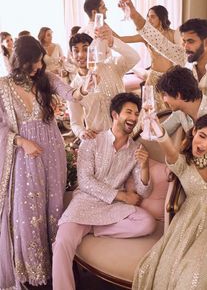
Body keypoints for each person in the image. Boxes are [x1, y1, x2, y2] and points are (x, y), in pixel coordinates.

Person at [0, 35, 82, 289]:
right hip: (26, 156)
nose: (37, 68)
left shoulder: (48, 79)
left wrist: (85, 87)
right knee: (28, 210)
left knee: (53, 206)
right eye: (32, 63)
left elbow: (72, 93)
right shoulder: (2, 87)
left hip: (53, 151)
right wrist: (22, 142)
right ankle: (34, 268)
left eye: (40, 62)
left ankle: (56, 265)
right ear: (19, 62)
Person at [52, 92, 157, 290]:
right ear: (115, 115)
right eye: (129, 112)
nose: (134, 118)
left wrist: (144, 167)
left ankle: (94, 228)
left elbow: (144, 192)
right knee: (62, 243)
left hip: (111, 209)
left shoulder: (136, 149)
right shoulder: (91, 140)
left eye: (136, 113)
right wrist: (122, 195)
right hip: (85, 202)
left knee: (147, 222)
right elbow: (84, 181)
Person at [132, 113, 207, 290]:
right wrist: (157, 128)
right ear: (194, 131)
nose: (204, 144)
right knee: (191, 278)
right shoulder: (181, 163)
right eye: (202, 136)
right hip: (193, 225)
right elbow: (169, 149)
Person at [121, 0, 207, 104]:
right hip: (181, 123)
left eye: (190, 41)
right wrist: (133, 14)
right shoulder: (183, 58)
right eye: (184, 41)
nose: (185, 47)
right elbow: (156, 40)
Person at [156, 66, 207, 189]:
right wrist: (149, 120)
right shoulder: (180, 113)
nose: (164, 100)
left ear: (178, 95)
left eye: (165, 95)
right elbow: (161, 132)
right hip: (200, 179)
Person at [67, 26, 140, 140]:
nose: (81, 55)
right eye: (76, 51)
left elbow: (134, 57)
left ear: (93, 50)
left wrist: (112, 41)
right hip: (99, 139)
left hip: (127, 134)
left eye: (86, 49)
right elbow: (75, 123)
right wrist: (82, 132)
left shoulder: (111, 66)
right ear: (71, 55)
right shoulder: (74, 88)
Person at [115, 5, 181, 111]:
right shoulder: (146, 36)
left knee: (169, 112)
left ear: (161, 18)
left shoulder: (173, 34)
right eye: (148, 17)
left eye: (152, 17)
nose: (148, 20)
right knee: (149, 111)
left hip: (169, 79)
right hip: (153, 78)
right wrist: (105, 28)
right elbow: (121, 39)